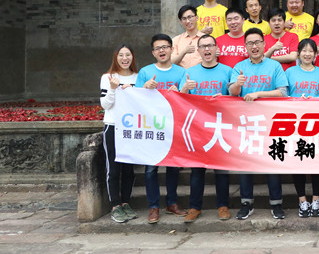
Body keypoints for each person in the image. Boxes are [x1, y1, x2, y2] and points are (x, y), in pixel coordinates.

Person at [229, 28, 289, 220]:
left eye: (257, 42)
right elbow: (232, 92)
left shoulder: (274, 66)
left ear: (264, 44)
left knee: (272, 162)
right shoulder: (239, 67)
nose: (254, 46)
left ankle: (276, 204)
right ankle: (246, 203)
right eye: (250, 43)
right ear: (245, 46)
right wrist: (238, 84)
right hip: (246, 123)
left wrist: (258, 94)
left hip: (270, 121)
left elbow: (282, 92)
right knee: (245, 164)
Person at [135, 34, 188, 224]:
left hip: (173, 126)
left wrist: (180, 92)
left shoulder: (181, 72)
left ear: (172, 49)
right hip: (152, 127)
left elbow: (187, 100)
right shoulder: (145, 72)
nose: (162, 51)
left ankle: (172, 203)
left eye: (165, 47)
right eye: (158, 48)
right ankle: (153, 206)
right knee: (151, 169)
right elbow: (135, 99)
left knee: (173, 167)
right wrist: (145, 88)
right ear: (153, 52)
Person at [180, 33, 233, 223]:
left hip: (220, 127)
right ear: (198, 50)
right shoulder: (190, 72)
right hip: (198, 128)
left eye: (210, 45)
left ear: (217, 49)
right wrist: (185, 88)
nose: (207, 49)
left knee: (221, 170)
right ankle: (194, 207)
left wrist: (224, 97)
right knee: (197, 170)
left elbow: (236, 98)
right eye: (203, 46)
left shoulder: (228, 71)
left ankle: (223, 206)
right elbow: (179, 99)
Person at [285, 38, 319, 217]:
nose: (307, 54)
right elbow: (284, 96)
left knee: (316, 162)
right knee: (298, 162)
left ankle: (316, 199)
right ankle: (302, 200)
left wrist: (315, 100)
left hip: (316, 124)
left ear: (316, 54)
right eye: (304, 50)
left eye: (311, 51)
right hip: (295, 124)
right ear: (298, 53)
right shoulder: (290, 72)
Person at [100, 45, 139, 223]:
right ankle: (115, 205)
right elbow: (105, 105)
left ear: (132, 57)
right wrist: (113, 88)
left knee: (129, 169)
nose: (125, 58)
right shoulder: (107, 77)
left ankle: (126, 202)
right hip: (113, 126)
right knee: (114, 169)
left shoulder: (138, 77)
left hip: (132, 128)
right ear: (116, 58)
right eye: (121, 55)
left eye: (128, 55)